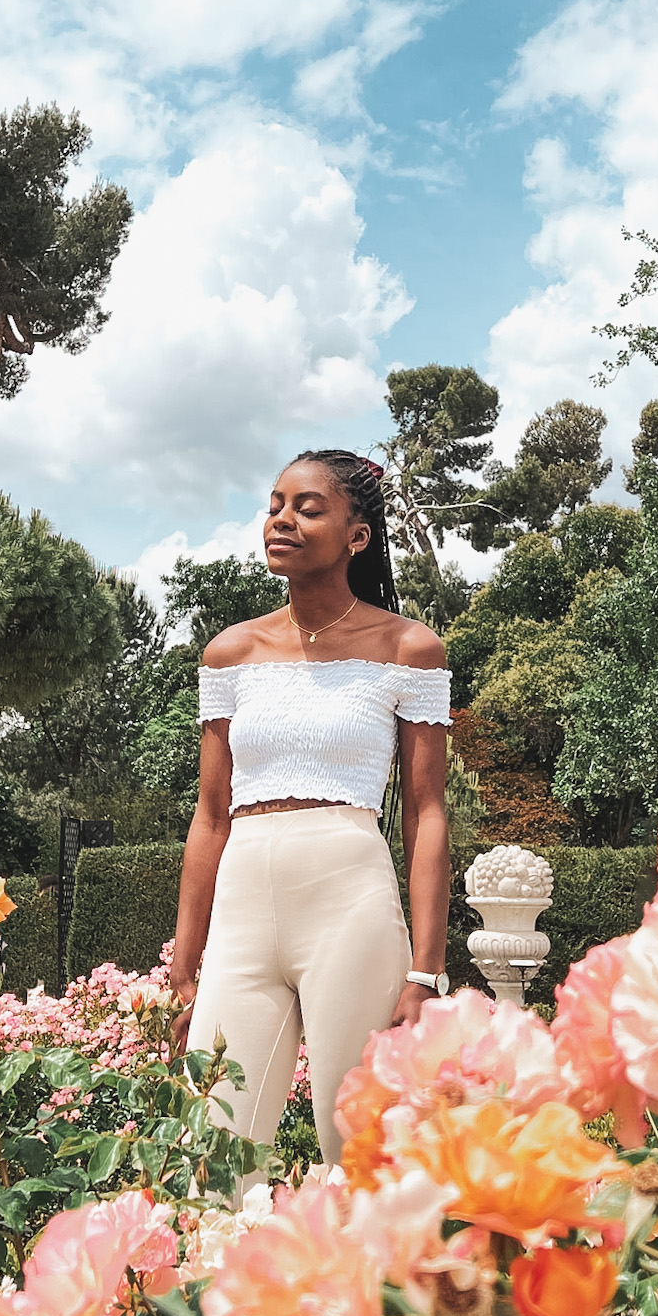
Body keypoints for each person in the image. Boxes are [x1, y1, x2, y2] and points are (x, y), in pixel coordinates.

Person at [168, 449, 452, 1164]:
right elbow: (210, 816)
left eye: (307, 507)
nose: (281, 521)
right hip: (243, 910)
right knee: (207, 1150)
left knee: (358, 1149)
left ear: (357, 536)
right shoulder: (228, 654)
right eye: (273, 506)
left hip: (350, 907)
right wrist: (183, 965)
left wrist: (427, 970)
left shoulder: (410, 649)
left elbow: (425, 815)